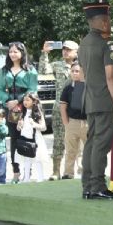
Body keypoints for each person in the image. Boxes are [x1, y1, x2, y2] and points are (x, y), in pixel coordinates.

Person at [77, 1, 113, 199]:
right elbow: (111, 76)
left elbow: (85, 73)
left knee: (92, 142)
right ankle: (97, 185)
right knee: (101, 144)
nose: (110, 24)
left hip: (90, 98)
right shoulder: (108, 44)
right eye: (109, 20)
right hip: (105, 100)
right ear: (103, 22)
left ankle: (87, 184)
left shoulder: (83, 43)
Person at [0, 41, 38, 184]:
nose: (13, 54)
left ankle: (28, 170)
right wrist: (7, 101)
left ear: (22, 53)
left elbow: (32, 89)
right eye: (11, 51)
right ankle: (16, 171)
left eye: (16, 51)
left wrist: (19, 101)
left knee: (27, 138)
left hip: (26, 106)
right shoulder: (4, 70)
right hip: (11, 108)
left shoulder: (30, 69)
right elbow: (0, 89)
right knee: (14, 138)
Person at [40, 39, 79, 179]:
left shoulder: (82, 66)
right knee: (58, 140)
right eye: (64, 49)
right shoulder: (57, 65)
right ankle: (56, 171)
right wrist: (45, 53)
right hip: (60, 107)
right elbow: (44, 70)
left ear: (76, 52)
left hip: (77, 108)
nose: (65, 51)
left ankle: (74, 170)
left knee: (77, 139)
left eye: (68, 49)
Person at [58, 62, 87, 180]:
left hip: (87, 123)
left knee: (89, 150)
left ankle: (88, 173)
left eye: (78, 71)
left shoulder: (89, 87)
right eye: (73, 71)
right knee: (70, 150)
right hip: (72, 122)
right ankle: (68, 173)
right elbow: (63, 107)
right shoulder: (68, 89)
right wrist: (66, 123)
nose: (75, 73)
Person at [17, 91, 48, 183]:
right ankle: (26, 178)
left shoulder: (37, 113)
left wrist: (34, 124)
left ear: (34, 101)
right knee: (26, 159)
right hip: (25, 139)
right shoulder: (23, 113)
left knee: (37, 159)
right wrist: (19, 125)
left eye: (28, 100)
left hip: (35, 139)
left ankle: (40, 178)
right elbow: (19, 128)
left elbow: (44, 127)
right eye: (24, 100)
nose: (25, 102)